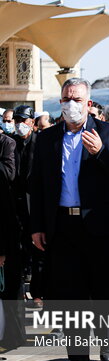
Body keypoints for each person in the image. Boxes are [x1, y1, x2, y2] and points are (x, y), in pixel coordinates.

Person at [29, 78, 109, 361]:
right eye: (65, 98)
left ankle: (107, 337)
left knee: (104, 289)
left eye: (76, 99)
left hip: (98, 224)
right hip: (62, 224)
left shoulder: (108, 132)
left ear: (88, 103)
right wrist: (37, 226)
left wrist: (100, 153)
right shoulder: (46, 139)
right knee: (69, 292)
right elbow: (36, 185)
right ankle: (77, 357)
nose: (70, 104)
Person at [10, 105, 45, 307]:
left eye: (24, 120)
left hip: (35, 204)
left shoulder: (40, 142)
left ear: (32, 122)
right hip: (16, 205)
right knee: (19, 250)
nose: (20, 124)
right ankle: (20, 291)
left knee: (39, 251)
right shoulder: (11, 142)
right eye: (17, 120)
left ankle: (38, 293)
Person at [0, 128, 25, 352]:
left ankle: (13, 336)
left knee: (10, 290)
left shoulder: (7, 144)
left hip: (7, 233)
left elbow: (9, 174)